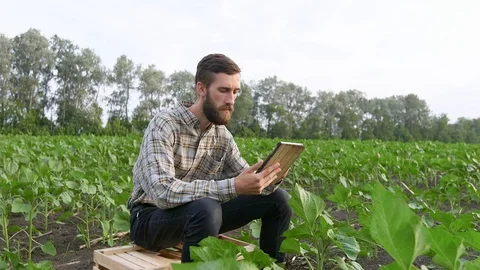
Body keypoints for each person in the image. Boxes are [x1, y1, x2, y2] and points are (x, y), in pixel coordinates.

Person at [127, 53, 292, 263]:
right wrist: (233, 186)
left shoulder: (221, 136)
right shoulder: (165, 124)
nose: (231, 100)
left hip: (200, 217)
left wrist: (269, 178)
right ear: (201, 89)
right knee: (207, 208)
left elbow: (247, 183)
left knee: (279, 200)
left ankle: (273, 267)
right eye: (223, 91)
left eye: (235, 92)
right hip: (150, 220)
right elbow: (162, 192)